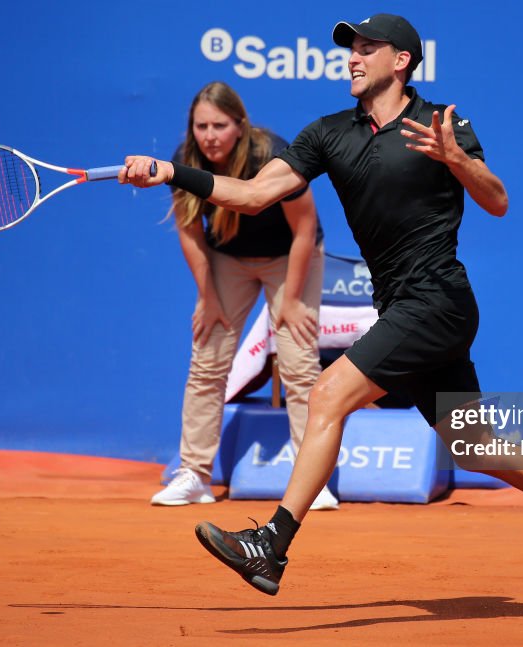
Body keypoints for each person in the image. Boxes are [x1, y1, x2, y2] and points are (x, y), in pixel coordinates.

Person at [120, 15, 523, 609]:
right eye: (351, 48)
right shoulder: (327, 134)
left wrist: (457, 159)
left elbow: (497, 201)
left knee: (327, 393)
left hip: (439, 299)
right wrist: (172, 172)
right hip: (402, 303)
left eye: (367, 48)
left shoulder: (441, 122)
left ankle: (272, 543)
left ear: (400, 61)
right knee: (472, 444)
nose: (353, 57)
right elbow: (251, 195)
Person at [148, 81, 339, 512]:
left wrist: (290, 300)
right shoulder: (184, 160)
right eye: (201, 126)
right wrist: (207, 296)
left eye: (219, 125)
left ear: (240, 125)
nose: (209, 135)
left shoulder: (272, 154)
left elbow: (305, 228)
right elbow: (190, 232)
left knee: (298, 363)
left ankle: (312, 482)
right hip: (228, 259)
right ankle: (194, 476)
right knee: (207, 360)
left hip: (289, 255)